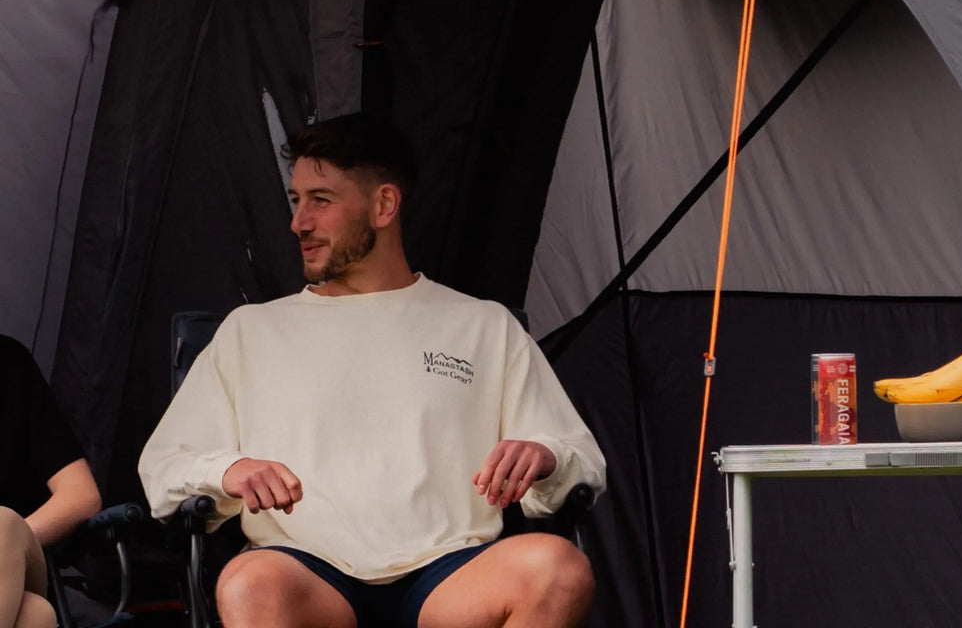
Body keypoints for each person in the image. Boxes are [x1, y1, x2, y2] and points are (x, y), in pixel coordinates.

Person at [139, 113, 605, 628]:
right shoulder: (250, 332)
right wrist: (228, 471)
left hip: (451, 573)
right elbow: (162, 468)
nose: (299, 223)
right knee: (249, 582)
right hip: (308, 573)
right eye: (296, 201)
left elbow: (583, 461)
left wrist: (544, 454)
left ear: (384, 204)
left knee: (560, 570)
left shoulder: (483, 326)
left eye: (321, 199)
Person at [1, 334, 102, 628]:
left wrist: (8, 544)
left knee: (5, 524)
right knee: (36, 615)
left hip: (12, 562)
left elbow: (81, 494)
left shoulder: (7, 363)